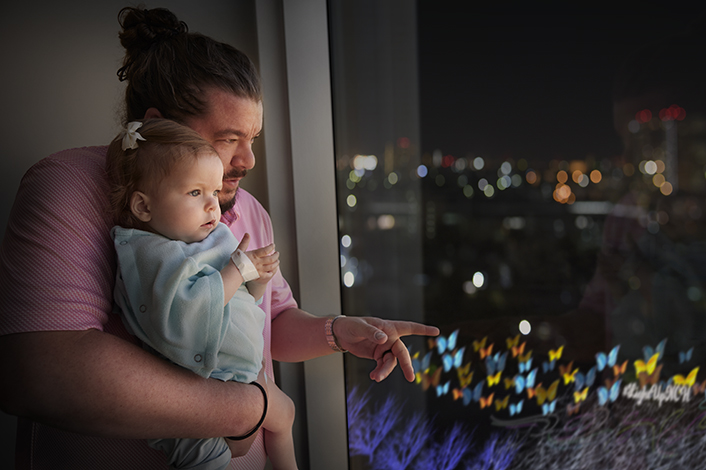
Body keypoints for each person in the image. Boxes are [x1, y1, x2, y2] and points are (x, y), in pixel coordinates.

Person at [0, 6, 439, 469]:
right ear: (157, 127)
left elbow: (272, 319)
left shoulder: (248, 210)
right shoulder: (67, 188)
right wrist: (256, 408)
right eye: (229, 139)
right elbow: (40, 372)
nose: (248, 160)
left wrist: (337, 331)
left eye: (253, 138)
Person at [107, 119, 297, 470]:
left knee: (285, 416)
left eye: (213, 192)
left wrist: (256, 281)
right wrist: (237, 271)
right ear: (143, 208)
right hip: (198, 387)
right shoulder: (149, 254)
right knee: (207, 460)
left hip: (241, 372)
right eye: (195, 193)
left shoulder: (206, 236)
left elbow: (238, 300)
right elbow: (185, 313)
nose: (212, 206)